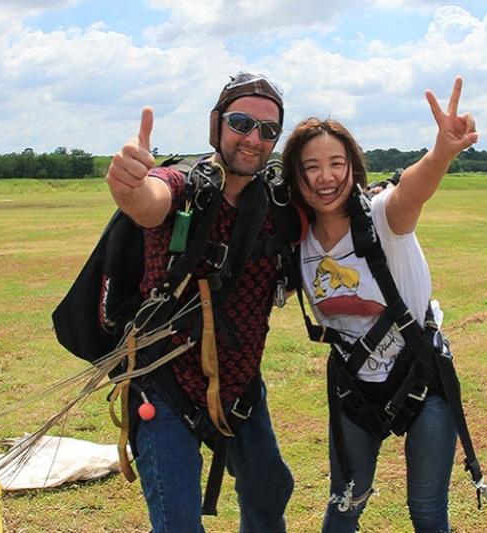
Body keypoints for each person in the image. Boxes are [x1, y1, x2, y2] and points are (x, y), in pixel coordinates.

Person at [282, 77, 481, 532]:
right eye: (311, 166)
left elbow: (413, 189)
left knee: (427, 509)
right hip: (354, 386)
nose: (325, 176)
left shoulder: (381, 218)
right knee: (345, 502)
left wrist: (441, 153)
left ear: (353, 167)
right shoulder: (295, 241)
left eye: (337, 163)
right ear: (295, 175)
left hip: (422, 377)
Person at [104, 73, 294, 532]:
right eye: (241, 122)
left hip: (240, 386)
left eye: (268, 130)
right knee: (179, 524)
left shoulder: (277, 204)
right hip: (164, 385)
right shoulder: (186, 185)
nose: (253, 138)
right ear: (217, 125)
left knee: (269, 491)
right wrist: (129, 185)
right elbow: (150, 200)